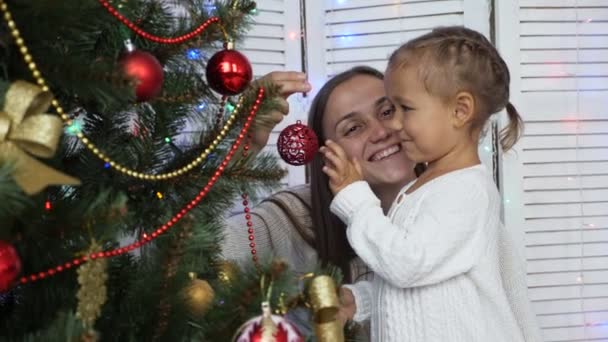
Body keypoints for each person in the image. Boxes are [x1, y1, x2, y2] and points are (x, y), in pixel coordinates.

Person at [320, 26, 542, 341]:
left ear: (460, 110)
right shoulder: (427, 186)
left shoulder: (465, 192)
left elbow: (408, 264)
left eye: (404, 109)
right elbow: (427, 281)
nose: (394, 124)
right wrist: (361, 299)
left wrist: (355, 201)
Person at [221, 67, 420, 338]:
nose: (380, 132)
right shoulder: (293, 218)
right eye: (353, 128)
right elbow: (174, 249)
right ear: (326, 156)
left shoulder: (461, 204)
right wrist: (241, 145)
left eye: (387, 112)